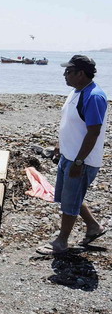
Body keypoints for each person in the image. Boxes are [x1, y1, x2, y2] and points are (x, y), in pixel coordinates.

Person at [36, 55, 108, 255]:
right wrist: (60, 145)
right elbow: (71, 122)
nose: (64, 75)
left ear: (81, 74)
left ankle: (61, 242)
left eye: (68, 71)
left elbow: (93, 132)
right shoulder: (76, 92)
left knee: (70, 200)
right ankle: (94, 227)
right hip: (69, 156)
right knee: (70, 195)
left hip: (82, 160)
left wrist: (79, 161)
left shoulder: (94, 96)